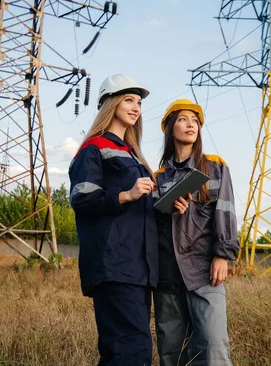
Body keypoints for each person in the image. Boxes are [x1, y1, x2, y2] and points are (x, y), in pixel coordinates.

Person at [69, 74, 160, 365]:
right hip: (114, 265)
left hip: (138, 266)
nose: (136, 107)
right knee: (131, 351)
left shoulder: (134, 155)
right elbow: (82, 199)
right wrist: (126, 195)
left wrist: (167, 205)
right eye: (129, 100)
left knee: (126, 351)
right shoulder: (93, 148)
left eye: (139, 102)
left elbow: (140, 210)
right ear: (111, 103)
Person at [153, 99, 239, 366]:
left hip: (204, 271)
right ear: (169, 128)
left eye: (195, 120)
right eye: (182, 119)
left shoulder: (215, 166)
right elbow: (150, 227)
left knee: (213, 350)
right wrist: (168, 211)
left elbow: (225, 209)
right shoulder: (157, 177)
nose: (190, 124)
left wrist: (223, 255)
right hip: (167, 275)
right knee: (171, 354)